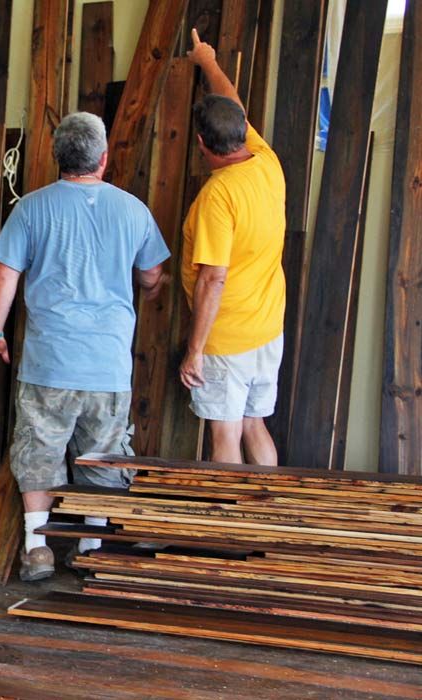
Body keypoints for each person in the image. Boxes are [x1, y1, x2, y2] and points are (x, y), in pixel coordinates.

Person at [0, 112, 171, 581]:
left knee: (38, 453)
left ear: (56, 157)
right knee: (103, 458)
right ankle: (89, 547)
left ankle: (37, 548)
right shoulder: (133, 210)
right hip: (107, 365)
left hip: (49, 362)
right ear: (103, 159)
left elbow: (6, 273)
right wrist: (149, 287)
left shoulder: (30, 209)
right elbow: (152, 274)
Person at [179, 28, 286, 466]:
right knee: (255, 425)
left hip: (227, 338)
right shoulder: (265, 160)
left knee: (224, 435)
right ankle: (265, 522)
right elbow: (234, 106)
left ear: (202, 144)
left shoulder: (218, 196)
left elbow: (213, 277)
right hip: (267, 329)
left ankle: (231, 530)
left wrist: (195, 349)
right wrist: (208, 63)